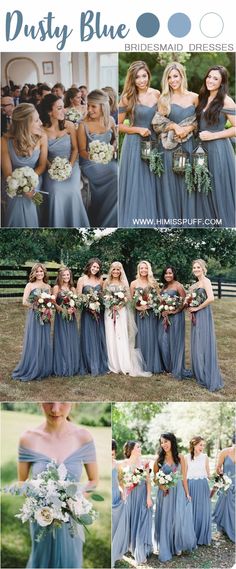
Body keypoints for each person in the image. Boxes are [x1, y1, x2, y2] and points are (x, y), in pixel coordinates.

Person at [18, 402, 98, 568]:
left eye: (62, 401)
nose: (55, 409)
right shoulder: (27, 439)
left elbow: (93, 480)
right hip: (43, 518)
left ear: (73, 403)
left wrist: (75, 502)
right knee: (41, 560)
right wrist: (39, 503)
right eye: (49, 401)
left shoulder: (83, 437)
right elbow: (22, 481)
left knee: (71, 561)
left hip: (72, 518)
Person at [152, 62, 198, 224]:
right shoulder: (164, 99)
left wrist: (189, 128)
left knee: (187, 183)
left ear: (182, 76)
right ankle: (171, 220)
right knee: (170, 184)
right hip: (169, 148)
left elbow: (200, 122)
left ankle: (189, 219)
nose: (172, 80)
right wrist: (173, 126)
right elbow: (157, 124)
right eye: (169, 77)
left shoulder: (194, 97)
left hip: (188, 146)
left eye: (175, 76)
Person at [118, 60, 160, 227]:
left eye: (144, 76)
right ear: (132, 79)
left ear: (148, 75)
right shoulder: (126, 98)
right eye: (137, 77)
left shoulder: (157, 93)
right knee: (138, 182)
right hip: (135, 144)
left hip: (155, 142)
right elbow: (118, 125)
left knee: (153, 180)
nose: (142, 80)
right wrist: (137, 130)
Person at [40, 94, 89, 228]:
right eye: (60, 108)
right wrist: (53, 169)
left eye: (63, 107)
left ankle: (76, 224)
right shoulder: (41, 130)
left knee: (73, 190)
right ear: (50, 111)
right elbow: (42, 156)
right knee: (55, 191)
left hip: (72, 164)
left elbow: (75, 149)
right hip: (50, 167)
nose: (64, 111)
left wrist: (69, 167)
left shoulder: (69, 125)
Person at [196, 65, 236, 227]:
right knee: (204, 187)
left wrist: (213, 135)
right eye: (209, 76)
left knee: (219, 187)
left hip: (219, 149)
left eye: (215, 78)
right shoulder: (203, 98)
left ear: (222, 83)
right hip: (201, 150)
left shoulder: (226, 100)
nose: (210, 80)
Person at [1, 103, 47, 227]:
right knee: (17, 201)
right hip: (12, 183)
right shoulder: (5, 141)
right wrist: (21, 186)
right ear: (25, 124)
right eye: (37, 120)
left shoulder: (42, 137)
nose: (41, 123)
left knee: (32, 199)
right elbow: (7, 174)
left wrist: (29, 183)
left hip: (35, 179)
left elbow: (42, 165)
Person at [154, 432, 197, 562]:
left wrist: (187, 493)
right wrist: (162, 487)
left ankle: (177, 544)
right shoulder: (159, 460)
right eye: (162, 442)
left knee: (177, 518)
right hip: (165, 494)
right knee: (167, 518)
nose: (164, 444)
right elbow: (156, 479)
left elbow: (184, 478)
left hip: (178, 492)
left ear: (172, 442)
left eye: (166, 441)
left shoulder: (181, 457)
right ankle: (167, 545)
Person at [77, 89, 118, 227]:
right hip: (90, 162)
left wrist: (112, 147)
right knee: (114, 175)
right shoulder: (83, 124)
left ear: (103, 106)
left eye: (93, 106)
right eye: (88, 106)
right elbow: (81, 150)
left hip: (108, 160)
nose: (89, 110)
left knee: (118, 175)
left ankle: (111, 219)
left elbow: (115, 139)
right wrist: (94, 156)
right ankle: (99, 216)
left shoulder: (110, 120)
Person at [103, 261, 151, 377]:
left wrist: (120, 305)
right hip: (110, 312)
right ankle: (113, 365)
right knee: (111, 335)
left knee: (121, 335)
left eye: (118, 269)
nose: (116, 271)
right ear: (111, 270)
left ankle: (124, 364)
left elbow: (129, 298)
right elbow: (103, 297)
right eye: (113, 269)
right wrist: (110, 304)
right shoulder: (106, 282)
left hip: (121, 312)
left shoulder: (124, 282)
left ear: (121, 271)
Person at [186, 259, 224, 391]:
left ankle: (206, 372)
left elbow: (211, 298)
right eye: (194, 267)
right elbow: (189, 298)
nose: (196, 269)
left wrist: (197, 308)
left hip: (203, 313)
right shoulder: (194, 285)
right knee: (197, 341)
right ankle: (199, 370)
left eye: (198, 267)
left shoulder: (206, 281)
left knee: (204, 341)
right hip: (195, 315)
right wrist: (189, 304)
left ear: (203, 269)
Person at [12, 263, 53, 381]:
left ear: (44, 272)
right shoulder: (30, 285)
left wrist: (47, 310)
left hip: (45, 316)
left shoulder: (47, 286)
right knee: (35, 340)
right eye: (37, 271)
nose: (39, 273)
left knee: (44, 340)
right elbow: (24, 302)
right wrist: (37, 307)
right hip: (34, 315)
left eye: (41, 271)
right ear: (33, 273)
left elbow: (49, 301)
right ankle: (32, 367)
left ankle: (43, 367)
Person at [119, 440, 153, 565]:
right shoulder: (123, 464)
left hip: (143, 495)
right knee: (132, 522)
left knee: (142, 521)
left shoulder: (145, 463)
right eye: (138, 447)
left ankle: (141, 550)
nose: (140, 448)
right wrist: (123, 493)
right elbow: (121, 483)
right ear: (131, 449)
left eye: (140, 446)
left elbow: (148, 482)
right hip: (131, 497)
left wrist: (149, 497)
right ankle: (132, 547)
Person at [158, 265, 192, 379]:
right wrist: (162, 310)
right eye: (166, 273)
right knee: (163, 341)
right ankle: (167, 366)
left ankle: (176, 368)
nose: (168, 275)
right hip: (164, 318)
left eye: (170, 273)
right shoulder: (164, 287)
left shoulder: (178, 286)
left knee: (175, 342)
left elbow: (184, 302)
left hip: (176, 317)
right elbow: (161, 302)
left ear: (174, 274)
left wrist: (174, 311)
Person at [130, 260, 163, 373]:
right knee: (140, 336)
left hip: (151, 315)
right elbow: (131, 300)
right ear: (138, 270)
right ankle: (140, 364)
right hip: (139, 314)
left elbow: (158, 299)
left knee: (151, 336)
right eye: (141, 268)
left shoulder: (153, 283)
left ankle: (152, 363)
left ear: (149, 270)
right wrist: (138, 307)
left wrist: (149, 305)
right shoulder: (134, 283)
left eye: (145, 268)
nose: (143, 270)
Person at [77, 258, 108, 376]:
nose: (95, 269)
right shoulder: (82, 279)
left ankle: (100, 362)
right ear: (89, 266)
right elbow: (79, 297)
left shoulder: (100, 280)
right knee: (88, 336)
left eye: (97, 267)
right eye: (93, 266)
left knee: (98, 335)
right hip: (87, 313)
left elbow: (102, 295)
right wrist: (88, 304)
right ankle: (89, 363)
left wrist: (98, 303)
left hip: (99, 312)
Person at [52, 267, 80, 377]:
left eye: (68, 275)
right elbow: (53, 303)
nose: (66, 277)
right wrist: (63, 310)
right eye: (64, 275)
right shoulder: (56, 288)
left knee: (71, 339)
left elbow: (76, 303)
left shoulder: (72, 289)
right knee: (62, 339)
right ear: (60, 276)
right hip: (60, 317)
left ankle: (72, 364)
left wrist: (73, 309)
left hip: (71, 317)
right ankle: (62, 365)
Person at [185, 436, 211, 545]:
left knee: (203, 510)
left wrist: (218, 480)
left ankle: (203, 537)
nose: (202, 447)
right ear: (194, 445)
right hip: (191, 485)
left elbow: (208, 474)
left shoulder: (205, 457)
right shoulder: (186, 458)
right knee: (192, 510)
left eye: (203, 445)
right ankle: (192, 536)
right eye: (200, 445)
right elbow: (184, 475)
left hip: (203, 485)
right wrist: (186, 491)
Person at [212, 434, 236, 542]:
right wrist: (220, 472)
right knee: (224, 506)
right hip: (226, 483)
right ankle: (222, 530)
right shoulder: (225, 452)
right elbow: (218, 468)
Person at [112, 439, 129, 567]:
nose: (111, 454)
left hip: (117, 498)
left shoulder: (117, 465)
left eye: (113, 452)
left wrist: (123, 495)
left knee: (116, 526)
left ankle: (116, 553)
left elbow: (121, 482)